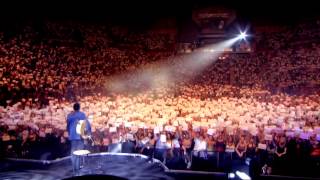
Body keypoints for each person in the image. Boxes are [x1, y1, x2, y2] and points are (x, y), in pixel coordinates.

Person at [66, 102, 92, 173]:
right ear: (79, 108)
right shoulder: (82, 114)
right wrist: (89, 133)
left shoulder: (69, 115)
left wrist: (69, 132)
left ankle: (74, 167)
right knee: (79, 151)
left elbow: (68, 126)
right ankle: (77, 169)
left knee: (73, 152)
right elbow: (87, 125)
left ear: (73, 108)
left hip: (72, 136)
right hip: (80, 136)